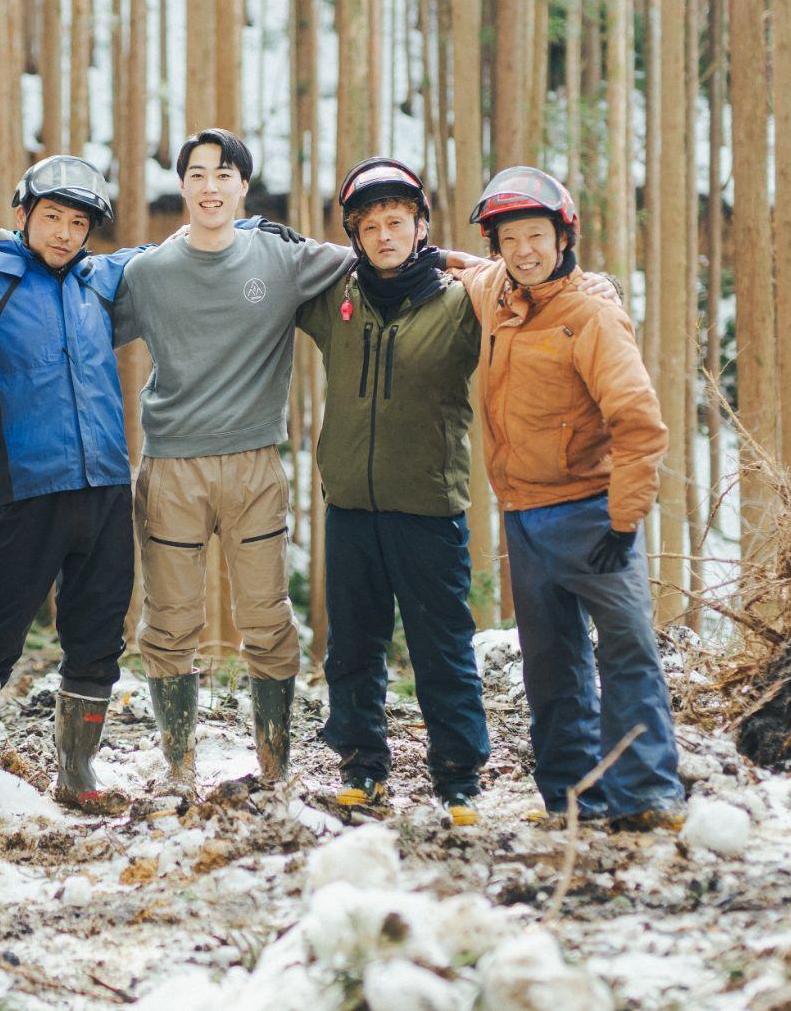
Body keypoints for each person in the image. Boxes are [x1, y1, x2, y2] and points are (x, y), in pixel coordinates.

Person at [0, 155, 289, 813]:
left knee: (96, 637)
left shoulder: (102, 278)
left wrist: (250, 227)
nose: (64, 232)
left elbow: (172, 253)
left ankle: (76, 771)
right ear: (23, 216)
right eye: (52, 217)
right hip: (27, 494)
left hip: (104, 489)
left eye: (78, 222)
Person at [113, 128, 355, 790]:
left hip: (253, 464)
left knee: (268, 619)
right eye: (197, 173)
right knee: (169, 624)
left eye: (224, 173)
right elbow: (74, 321)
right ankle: (180, 768)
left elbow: (378, 255)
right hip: (171, 469)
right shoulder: (149, 273)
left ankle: (276, 769)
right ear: (182, 185)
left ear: (243, 186)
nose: (210, 185)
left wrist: (474, 267)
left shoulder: (280, 259)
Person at [458, 166, 684, 826]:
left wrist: (624, 519)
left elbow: (639, 419)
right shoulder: (497, 292)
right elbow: (462, 270)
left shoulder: (590, 314)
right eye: (509, 238)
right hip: (524, 515)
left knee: (627, 651)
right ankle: (570, 794)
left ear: (564, 236)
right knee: (551, 663)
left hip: (592, 512)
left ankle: (646, 791)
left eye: (536, 235)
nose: (523, 249)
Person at [293, 157, 491, 825]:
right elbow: (276, 272)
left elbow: (529, 292)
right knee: (352, 646)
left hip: (429, 509)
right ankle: (362, 766)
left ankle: (459, 777)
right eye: (370, 224)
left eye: (396, 222)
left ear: (420, 226)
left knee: (442, 647)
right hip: (350, 506)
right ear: (355, 233)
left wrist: (466, 261)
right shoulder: (334, 300)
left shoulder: (460, 302)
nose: (383, 235)